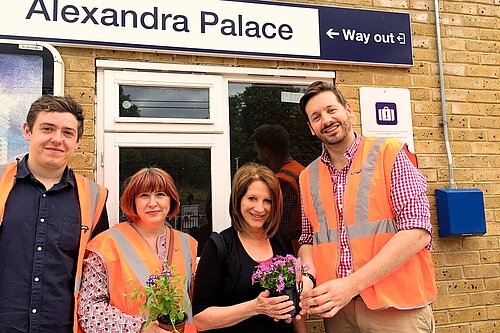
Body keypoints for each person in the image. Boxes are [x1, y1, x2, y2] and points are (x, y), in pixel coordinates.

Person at [296, 81, 437, 332]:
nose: (326, 120)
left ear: (348, 110)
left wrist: (350, 286)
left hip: (396, 309)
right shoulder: (307, 177)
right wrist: (307, 276)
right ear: (310, 128)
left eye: (331, 110)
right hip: (339, 312)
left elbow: (417, 232)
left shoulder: (390, 153)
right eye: (316, 117)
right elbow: (309, 239)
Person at [0, 95, 109, 333]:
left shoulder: (95, 198)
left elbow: (99, 279)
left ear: (78, 140)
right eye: (47, 128)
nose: (57, 139)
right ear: (28, 131)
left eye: (68, 133)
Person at [77, 167, 198, 333]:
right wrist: (141, 327)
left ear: (171, 200)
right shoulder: (107, 245)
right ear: (132, 201)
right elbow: (89, 311)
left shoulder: (187, 244)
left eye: (160, 194)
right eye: (144, 195)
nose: (153, 203)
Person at [192, 163, 305, 333]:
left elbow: (295, 305)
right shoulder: (220, 246)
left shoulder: (281, 243)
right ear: (238, 199)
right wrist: (256, 307)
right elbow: (200, 319)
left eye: (267, 201)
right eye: (252, 198)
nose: (260, 208)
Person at [251, 124, 305, 253]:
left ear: (266, 152)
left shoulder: (282, 181)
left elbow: (282, 229)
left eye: (258, 151)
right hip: (302, 248)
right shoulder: (301, 170)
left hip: (290, 251)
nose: (258, 156)